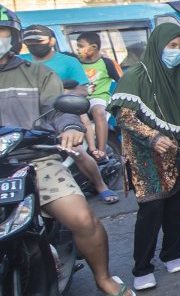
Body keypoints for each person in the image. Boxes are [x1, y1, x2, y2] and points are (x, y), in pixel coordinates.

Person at [0, 6, 136, 296]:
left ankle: (102, 277)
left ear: (13, 36)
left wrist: (72, 127)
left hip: (32, 160)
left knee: (82, 219)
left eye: (1, 32)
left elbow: (59, 109)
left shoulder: (36, 73)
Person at [109, 23, 180, 291]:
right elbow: (124, 116)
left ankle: (172, 254)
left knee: (179, 208)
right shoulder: (136, 75)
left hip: (177, 152)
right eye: (172, 46)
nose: (178, 52)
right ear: (158, 46)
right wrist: (154, 137)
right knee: (151, 211)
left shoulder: (176, 76)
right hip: (146, 157)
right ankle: (142, 268)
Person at [21, 25, 120, 204]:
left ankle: (101, 186)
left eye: (39, 41)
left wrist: (62, 95)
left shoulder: (69, 62)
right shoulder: (20, 61)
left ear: (51, 41)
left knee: (76, 151)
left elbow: (83, 90)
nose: (34, 45)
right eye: (29, 42)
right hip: (25, 119)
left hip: (59, 115)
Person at [74, 30, 123, 156]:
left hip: (99, 97)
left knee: (98, 111)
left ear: (94, 47)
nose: (78, 49)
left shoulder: (106, 63)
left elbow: (121, 81)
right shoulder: (75, 63)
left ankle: (101, 150)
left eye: (81, 46)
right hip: (80, 98)